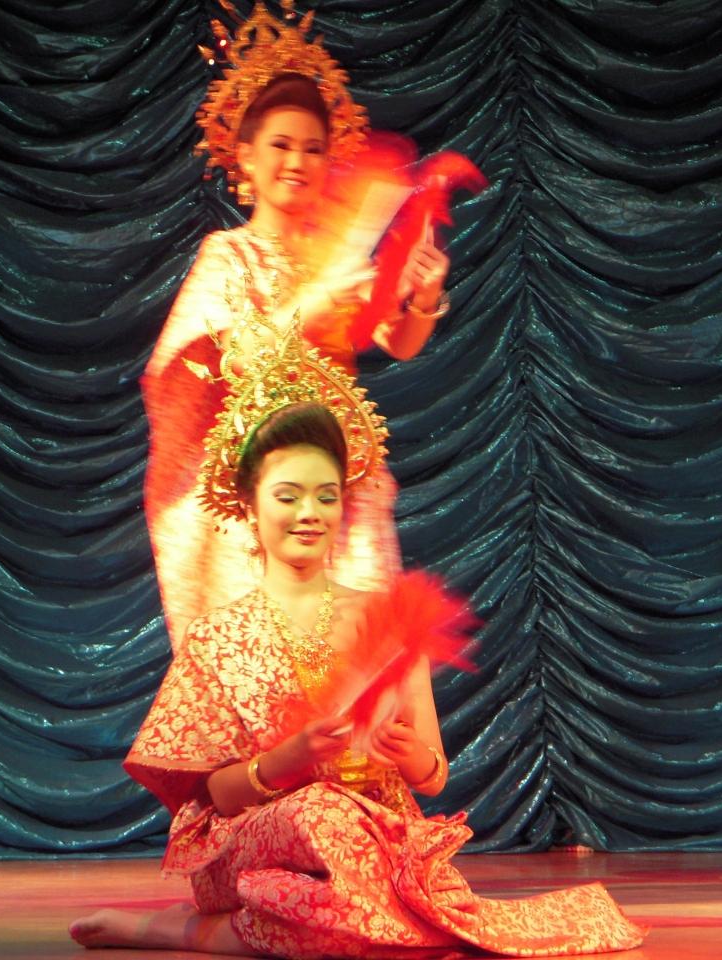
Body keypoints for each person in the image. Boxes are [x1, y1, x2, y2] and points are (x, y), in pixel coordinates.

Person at [71, 330, 645, 953]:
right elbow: (214, 796)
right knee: (320, 813)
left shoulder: (385, 617)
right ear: (248, 505)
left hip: (372, 843)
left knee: (359, 896)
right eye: (288, 496)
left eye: (327, 496)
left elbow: (432, 776)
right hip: (257, 840)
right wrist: (288, 760)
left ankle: (239, 928)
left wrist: (408, 754)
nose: (309, 513)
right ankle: (211, 924)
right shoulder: (218, 636)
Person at [143, 0, 453, 647]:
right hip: (265, 493)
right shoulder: (229, 256)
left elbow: (394, 341)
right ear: (246, 157)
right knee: (276, 665)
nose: (297, 161)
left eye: (313, 149)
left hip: (345, 485)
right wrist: (310, 305)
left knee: (359, 664)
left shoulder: (334, 250)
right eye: (280, 145)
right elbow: (216, 362)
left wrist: (422, 296)